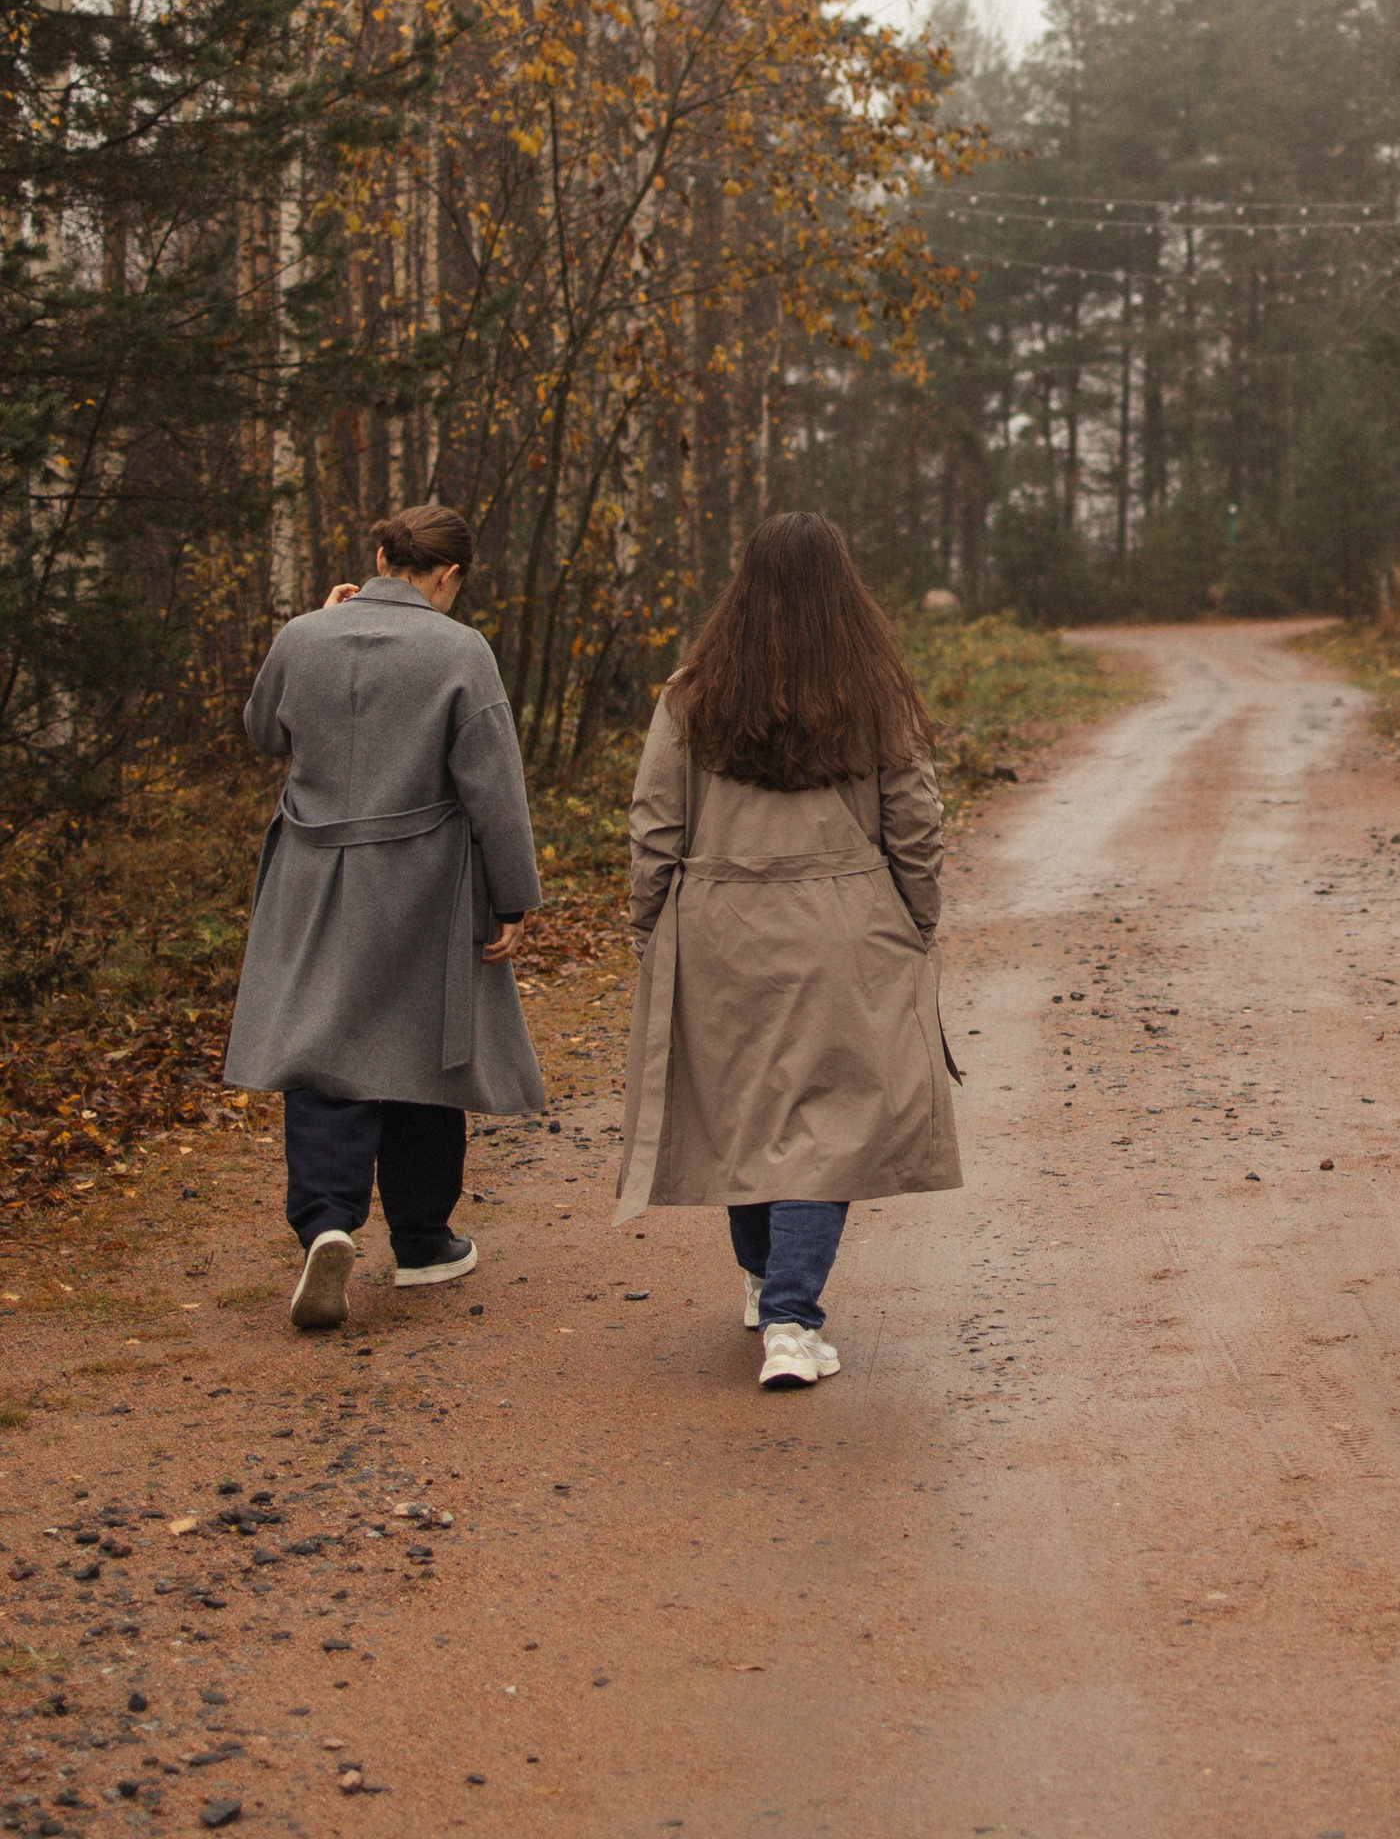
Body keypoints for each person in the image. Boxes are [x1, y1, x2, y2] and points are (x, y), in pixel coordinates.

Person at [620, 512, 959, 1390]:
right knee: (823, 1122)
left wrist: (649, 925)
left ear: (745, 588)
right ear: (843, 588)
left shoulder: (691, 695)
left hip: (719, 924)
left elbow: (656, 822)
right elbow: (915, 823)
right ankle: (791, 1319)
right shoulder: (875, 693)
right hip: (844, 927)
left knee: (743, 1111)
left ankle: (770, 1288)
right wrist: (918, 922)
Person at [225, 503, 545, 1334]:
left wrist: (313, 633)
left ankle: (326, 1221)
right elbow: (493, 789)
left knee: (319, 1044)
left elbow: (263, 731)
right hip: (420, 878)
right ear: (449, 575)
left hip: (311, 871)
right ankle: (422, 1241)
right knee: (422, 1041)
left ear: (376, 555)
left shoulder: (302, 636)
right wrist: (510, 898)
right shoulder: (459, 649)